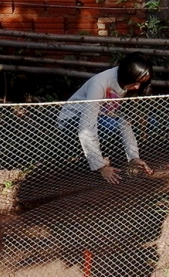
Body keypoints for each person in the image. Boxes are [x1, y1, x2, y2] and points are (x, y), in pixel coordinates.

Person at [58, 52, 154, 184]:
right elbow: (86, 127)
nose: (137, 87)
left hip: (101, 120)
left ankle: (97, 156)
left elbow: (125, 122)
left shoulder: (129, 87)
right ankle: (90, 160)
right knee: (111, 126)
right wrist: (101, 167)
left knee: (147, 122)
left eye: (141, 83)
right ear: (127, 74)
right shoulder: (99, 84)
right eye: (135, 82)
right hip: (71, 122)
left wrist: (133, 157)